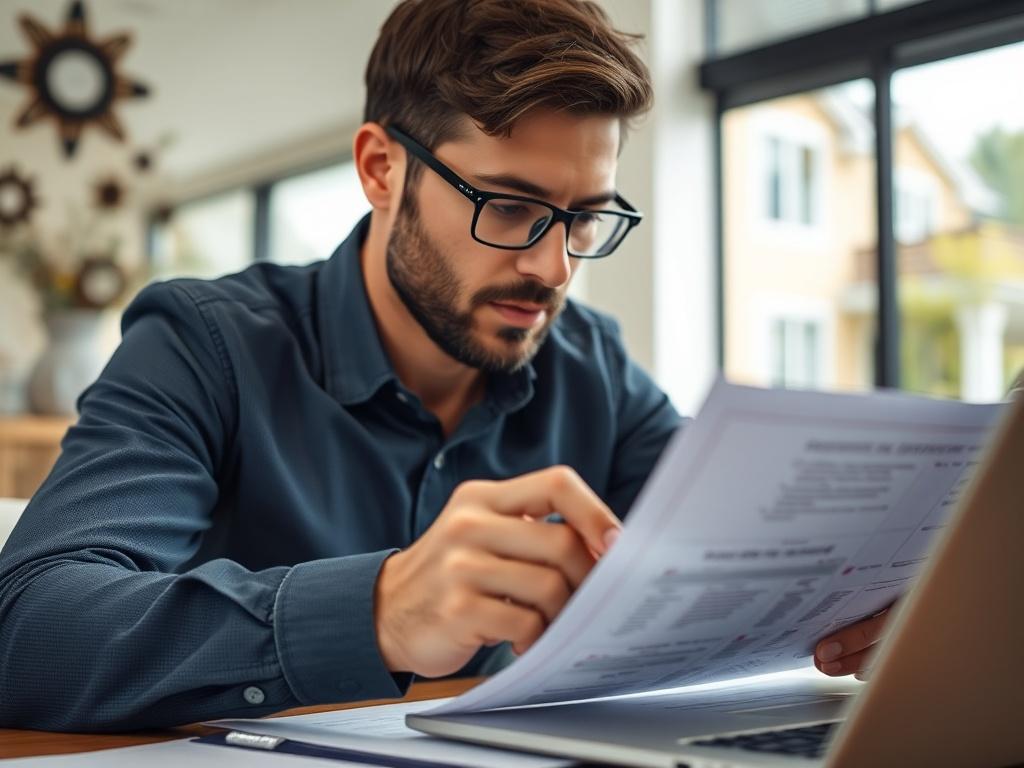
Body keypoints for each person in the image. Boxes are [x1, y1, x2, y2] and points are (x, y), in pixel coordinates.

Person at [0, 0, 886, 731]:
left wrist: (882, 597)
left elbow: (747, 540)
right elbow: (27, 629)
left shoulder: (593, 367)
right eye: (509, 207)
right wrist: (379, 610)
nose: (553, 268)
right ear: (382, 168)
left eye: (585, 218)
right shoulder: (207, 345)